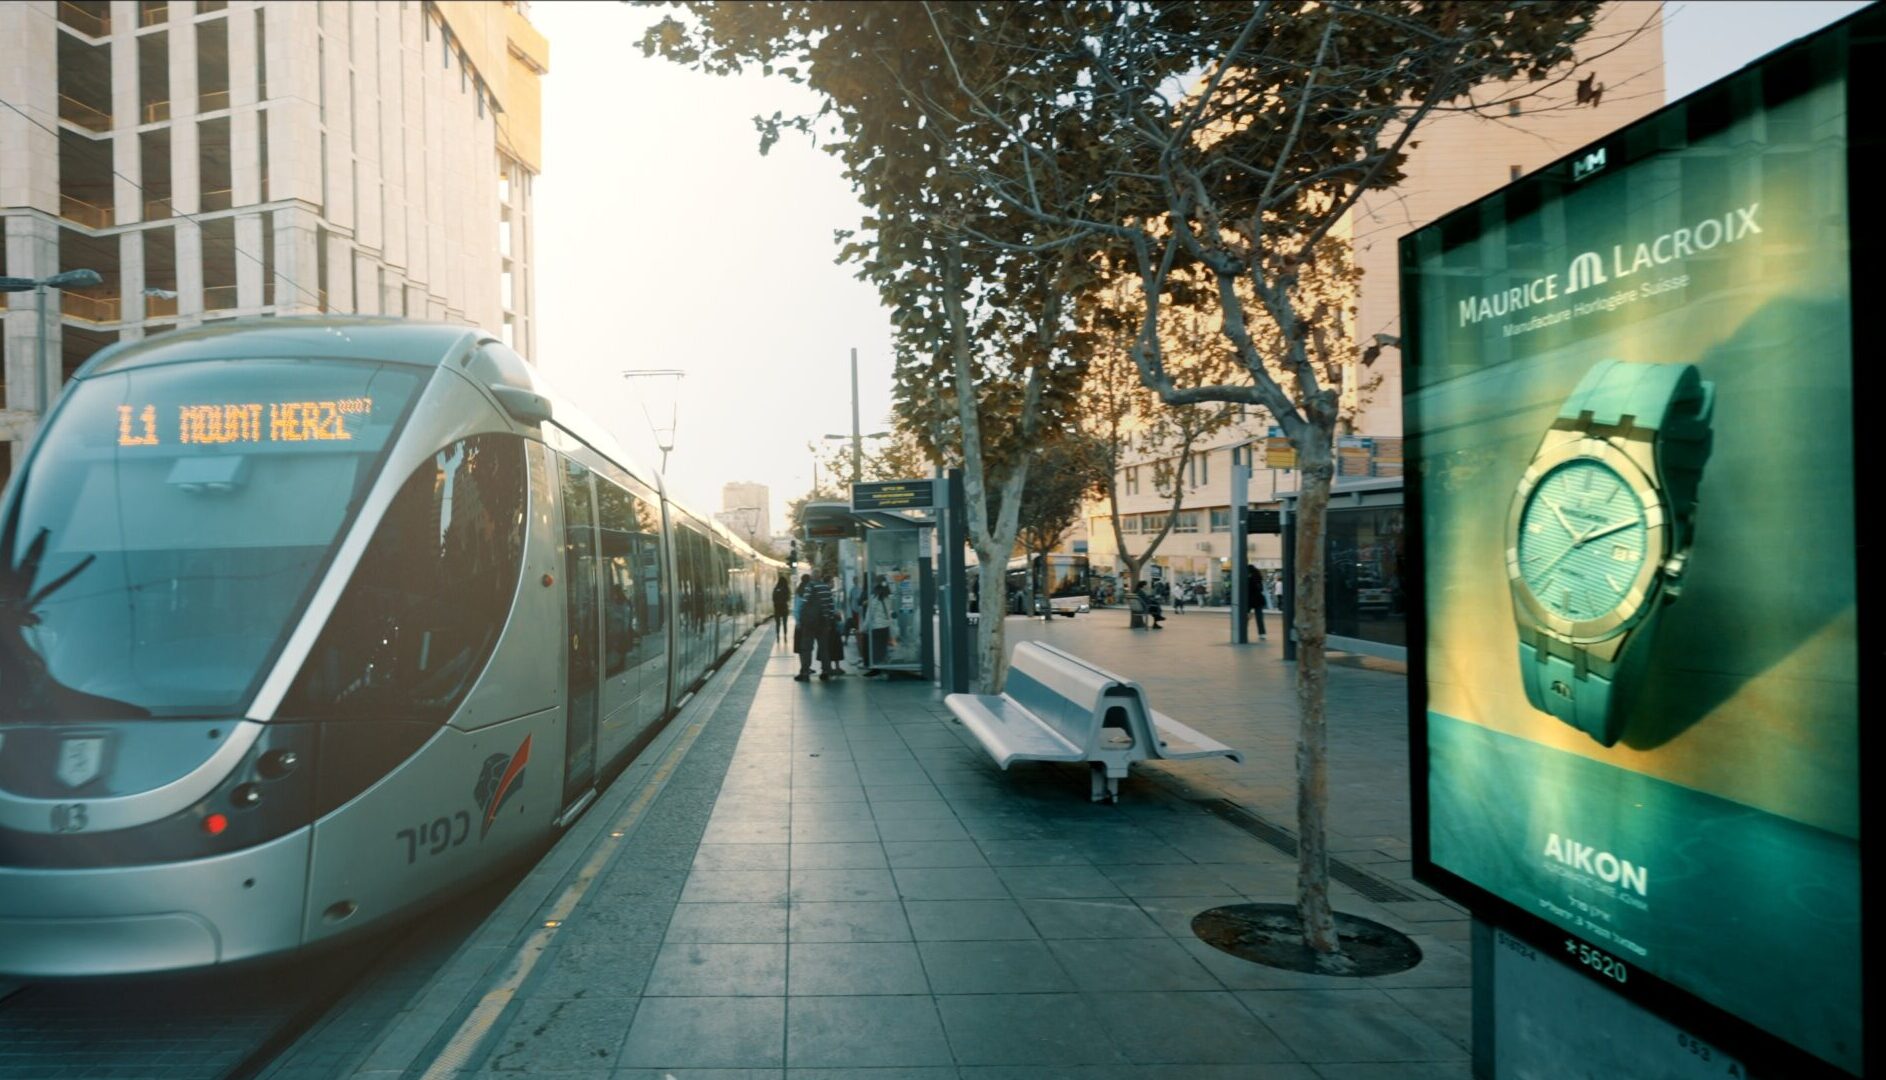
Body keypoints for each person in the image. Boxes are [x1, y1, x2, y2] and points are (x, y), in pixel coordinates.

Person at [862, 581, 896, 676]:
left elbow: (869, 616)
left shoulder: (874, 600)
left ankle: (876, 669)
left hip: (876, 627)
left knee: (875, 650)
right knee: (883, 649)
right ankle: (883, 668)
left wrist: (864, 628)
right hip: (885, 627)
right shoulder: (888, 599)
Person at [814, 573, 844, 679]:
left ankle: (829, 667)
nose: (832, 583)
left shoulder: (826, 592)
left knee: (828, 645)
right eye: (831, 582)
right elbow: (830, 608)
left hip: (826, 622)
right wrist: (834, 615)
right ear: (827, 582)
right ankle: (830, 667)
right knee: (832, 645)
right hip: (829, 622)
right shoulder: (827, 592)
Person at [793, 574, 820, 680]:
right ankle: (807, 668)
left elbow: (796, 609)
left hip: (802, 623)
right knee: (808, 648)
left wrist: (798, 622)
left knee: (802, 648)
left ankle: (804, 669)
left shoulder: (799, 591)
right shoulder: (812, 590)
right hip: (813, 622)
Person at [1247, 563, 1267, 640]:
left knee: (1245, 617)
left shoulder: (1249, 579)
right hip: (1258, 599)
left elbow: (1248, 590)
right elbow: (1261, 589)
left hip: (1250, 600)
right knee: (1259, 618)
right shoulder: (1258, 578)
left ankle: (1243, 631)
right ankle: (1262, 634)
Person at [771, 574, 791, 645]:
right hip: (784, 608)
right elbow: (788, 598)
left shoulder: (776, 588)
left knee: (778, 624)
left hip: (777, 608)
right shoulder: (786, 589)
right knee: (785, 623)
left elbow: (773, 598)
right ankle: (785, 636)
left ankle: (778, 636)